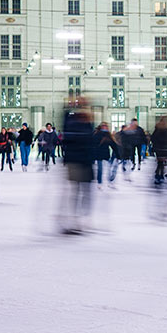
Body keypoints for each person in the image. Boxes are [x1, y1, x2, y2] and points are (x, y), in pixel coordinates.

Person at [61, 100, 95, 234]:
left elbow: (90, 142)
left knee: (85, 193)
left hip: (84, 162)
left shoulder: (87, 124)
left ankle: (80, 219)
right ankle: (75, 220)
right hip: (75, 161)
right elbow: (66, 125)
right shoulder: (72, 121)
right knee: (76, 192)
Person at [92, 122, 118, 188]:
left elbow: (113, 145)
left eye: (106, 126)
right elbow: (93, 145)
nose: (105, 127)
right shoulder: (97, 134)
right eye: (103, 126)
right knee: (100, 169)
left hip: (106, 154)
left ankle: (109, 181)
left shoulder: (108, 135)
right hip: (99, 154)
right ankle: (100, 182)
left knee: (108, 169)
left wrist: (118, 154)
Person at [150, 116, 167, 186]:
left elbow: (153, 139)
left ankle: (158, 175)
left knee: (159, 162)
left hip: (158, 149)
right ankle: (160, 175)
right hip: (165, 149)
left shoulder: (156, 130)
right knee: (162, 163)